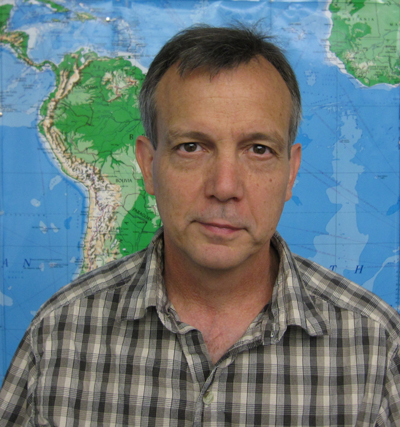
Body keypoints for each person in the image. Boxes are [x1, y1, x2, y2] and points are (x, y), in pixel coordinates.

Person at [0, 24, 399, 426]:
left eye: (258, 149)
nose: (225, 187)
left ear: (291, 172)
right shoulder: (58, 336)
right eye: (191, 147)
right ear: (148, 167)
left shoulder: (378, 347)